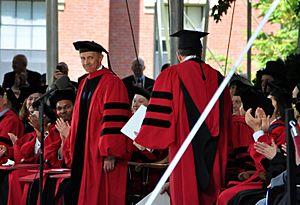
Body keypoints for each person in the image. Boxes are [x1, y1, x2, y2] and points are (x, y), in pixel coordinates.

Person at [135, 30, 232, 205]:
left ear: (179, 54)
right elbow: (226, 118)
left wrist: (145, 139)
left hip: (184, 150)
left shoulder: (171, 75)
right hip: (214, 150)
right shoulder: (219, 78)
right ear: (200, 52)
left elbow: (160, 117)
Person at [62, 40, 131, 205]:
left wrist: (110, 153)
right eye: (83, 58)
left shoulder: (112, 83)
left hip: (99, 154)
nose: (86, 63)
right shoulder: (84, 82)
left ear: (100, 58)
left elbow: (115, 119)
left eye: (90, 58)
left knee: (100, 195)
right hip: (83, 151)